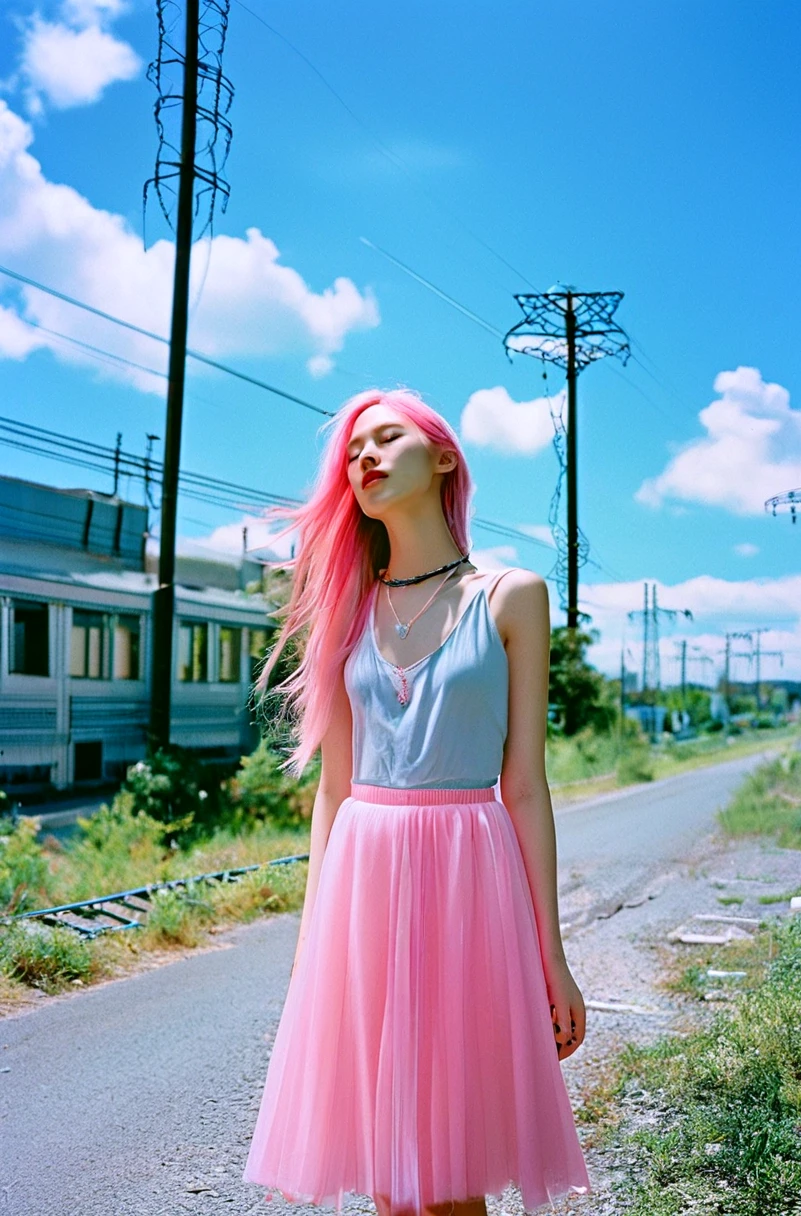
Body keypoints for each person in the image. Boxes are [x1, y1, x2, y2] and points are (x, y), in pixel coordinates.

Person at [243, 388, 591, 1216]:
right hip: (363, 883)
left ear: (443, 458)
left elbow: (526, 787)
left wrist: (554, 955)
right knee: (390, 1180)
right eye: (352, 451)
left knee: (446, 1180)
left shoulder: (513, 596)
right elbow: (332, 791)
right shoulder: (345, 609)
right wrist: (309, 943)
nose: (363, 458)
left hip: (468, 879)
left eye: (385, 438)